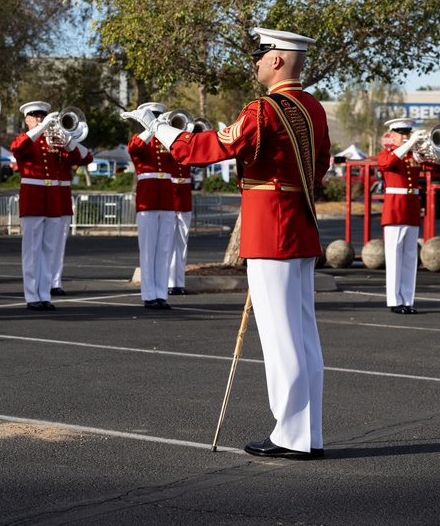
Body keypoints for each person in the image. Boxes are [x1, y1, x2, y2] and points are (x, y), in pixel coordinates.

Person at [122, 27, 329, 460]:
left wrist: (161, 131)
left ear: (276, 60)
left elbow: (215, 146)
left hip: (270, 227)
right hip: (300, 224)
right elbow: (320, 164)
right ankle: (308, 432)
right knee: (304, 334)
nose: (255, 62)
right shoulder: (312, 108)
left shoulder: (264, 108)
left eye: (260, 55)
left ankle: (291, 435)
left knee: (280, 336)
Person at [10, 101, 86, 310]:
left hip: (52, 200)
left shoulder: (54, 142)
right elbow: (17, 148)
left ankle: (45, 294)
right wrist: (42, 128)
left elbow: (78, 157)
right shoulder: (26, 140)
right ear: (27, 120)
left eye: (42, 116)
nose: (40, 119)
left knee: (48, 251)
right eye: (35, 116)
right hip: (33, 198)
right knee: (32, 251)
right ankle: (32, 296)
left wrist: (66, 138)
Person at [376, 117, 440, 314]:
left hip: (412, 208)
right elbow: (388, 164)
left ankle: (407, 300)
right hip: (394, 210)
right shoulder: (387, 154)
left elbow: (438, 166)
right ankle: (394, 300)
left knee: (409, 257)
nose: (406, 137)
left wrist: (435, 149)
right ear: (392, 135)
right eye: (402, 134)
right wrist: (410, 145)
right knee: (394, 257)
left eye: (408, 133)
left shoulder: (413, 156)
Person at [126, 102, 177, 310]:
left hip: (166, 198)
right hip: (147, 199)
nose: (156, 119)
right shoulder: (139, 139)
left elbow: (182, 157)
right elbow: (134, 149)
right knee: (148, 250)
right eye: (152, 116)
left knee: (164, 249)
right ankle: (149, 295)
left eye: (158, 117)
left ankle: (161, 294)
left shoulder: (166, 141)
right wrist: (151, 127)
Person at [49, 117, 92, 297]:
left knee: (59, 245)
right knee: (46, 245)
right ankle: (44, 281)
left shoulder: (66, 147)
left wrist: (69, 140)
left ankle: (56, 281)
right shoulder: (45, 145)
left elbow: (87, 157)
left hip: (63, 200)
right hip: (48, 198)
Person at [167, 134, 194, 296]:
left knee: (182, 243)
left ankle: (179, 282)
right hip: (170, 196)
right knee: (169, 243)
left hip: (184, 198)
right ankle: (169, 282)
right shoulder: (165, 147)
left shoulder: (187, 145)